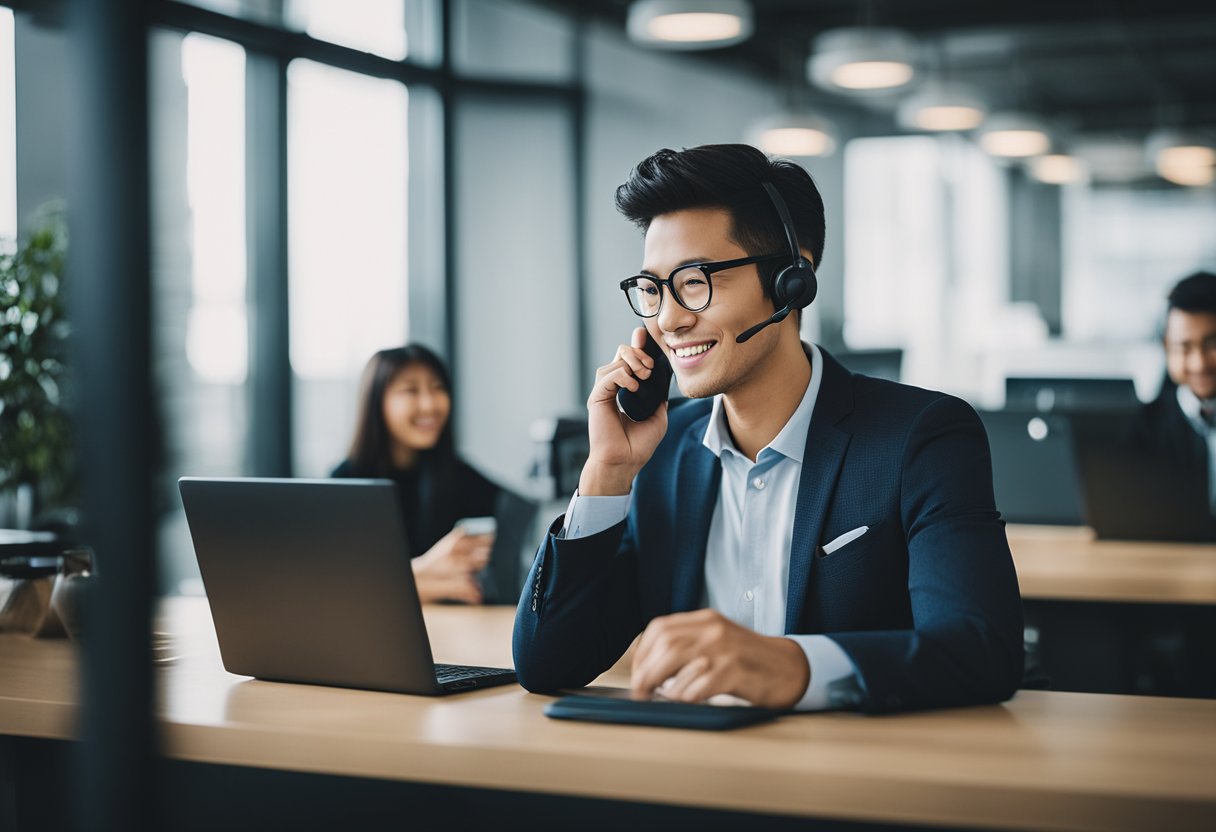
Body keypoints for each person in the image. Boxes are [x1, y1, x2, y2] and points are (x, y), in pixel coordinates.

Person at [512, 144, 1023, 713]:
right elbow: (546, 663)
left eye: (695, 281)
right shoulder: (658, 453)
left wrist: (791, 664)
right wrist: (606, 472)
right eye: (653, 289)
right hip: (689, 774)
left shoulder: (921, 438)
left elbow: (982, 652)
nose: (669, 319)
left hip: (849, 781)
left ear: (790, 279)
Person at [333, 344, 500, 604]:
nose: (429, 404)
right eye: (411, 391)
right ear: (377, 401)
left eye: (438, 388)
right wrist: (428, 571)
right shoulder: (344, 483)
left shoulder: (458, 476)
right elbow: (341, 588)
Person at [1132, 271, 1216, 509]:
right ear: (1166, 348)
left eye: (1212, 344)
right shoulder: (1143, 426)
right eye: (1183, 347)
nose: (1198, 363)